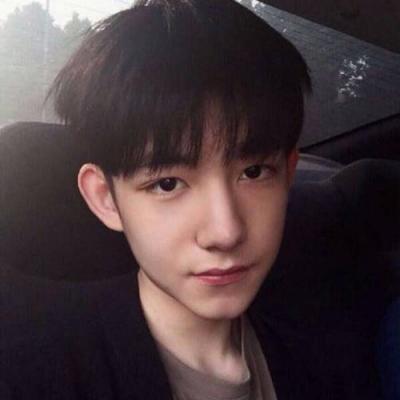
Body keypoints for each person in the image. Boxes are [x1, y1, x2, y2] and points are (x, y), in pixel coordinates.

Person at [0, 0, 396, 399]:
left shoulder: (330, 345)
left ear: (288, 173)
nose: (225, 232)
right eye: (167, 184)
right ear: (105, 198)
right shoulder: (38, 370)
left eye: (253, 172)